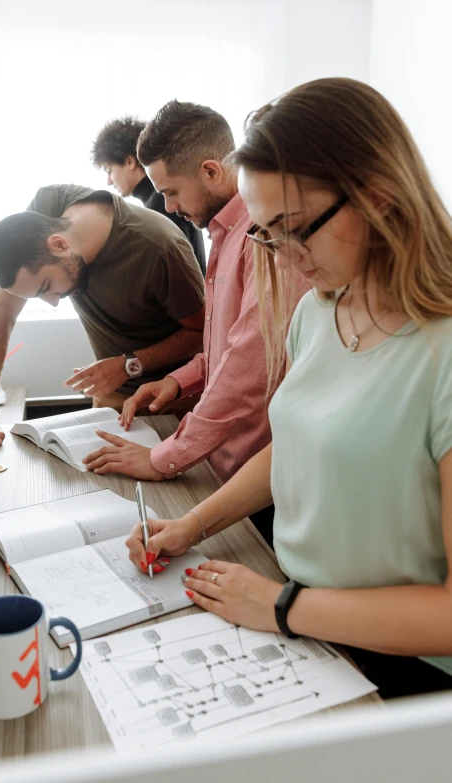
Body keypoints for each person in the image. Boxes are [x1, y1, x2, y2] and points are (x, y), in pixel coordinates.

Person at [125, 78, 452, 700]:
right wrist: (190, 526)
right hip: (305, 619)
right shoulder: (320, 310)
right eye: (267, 231)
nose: (283, 257)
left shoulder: (443, 352)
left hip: (405, 669)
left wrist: (281, 607)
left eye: (295, 228)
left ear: (379, 199)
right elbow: (294, 444)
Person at [82, 101, 295, 547]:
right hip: (220, 464)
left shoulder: (261, 235)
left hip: (259, 479)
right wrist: (178, 383)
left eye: (173, 192)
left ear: (212, 171)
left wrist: (164, 457)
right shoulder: (222, 232)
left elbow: (249, 367)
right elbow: (226, 346)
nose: (169, 206)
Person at [0, 184, 204, 458]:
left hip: (178, 398)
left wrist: (129, 364)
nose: (53, 301)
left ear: (59, 245)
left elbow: (203, 333)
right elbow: (1, 317)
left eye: (46, 286)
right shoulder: (46, 213)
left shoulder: (159, 246)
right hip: (113, 396)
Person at [92, 117, 206, 275]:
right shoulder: (161, 200)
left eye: (109, 170)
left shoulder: (160, 204)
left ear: (130, 161)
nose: (109, 181)